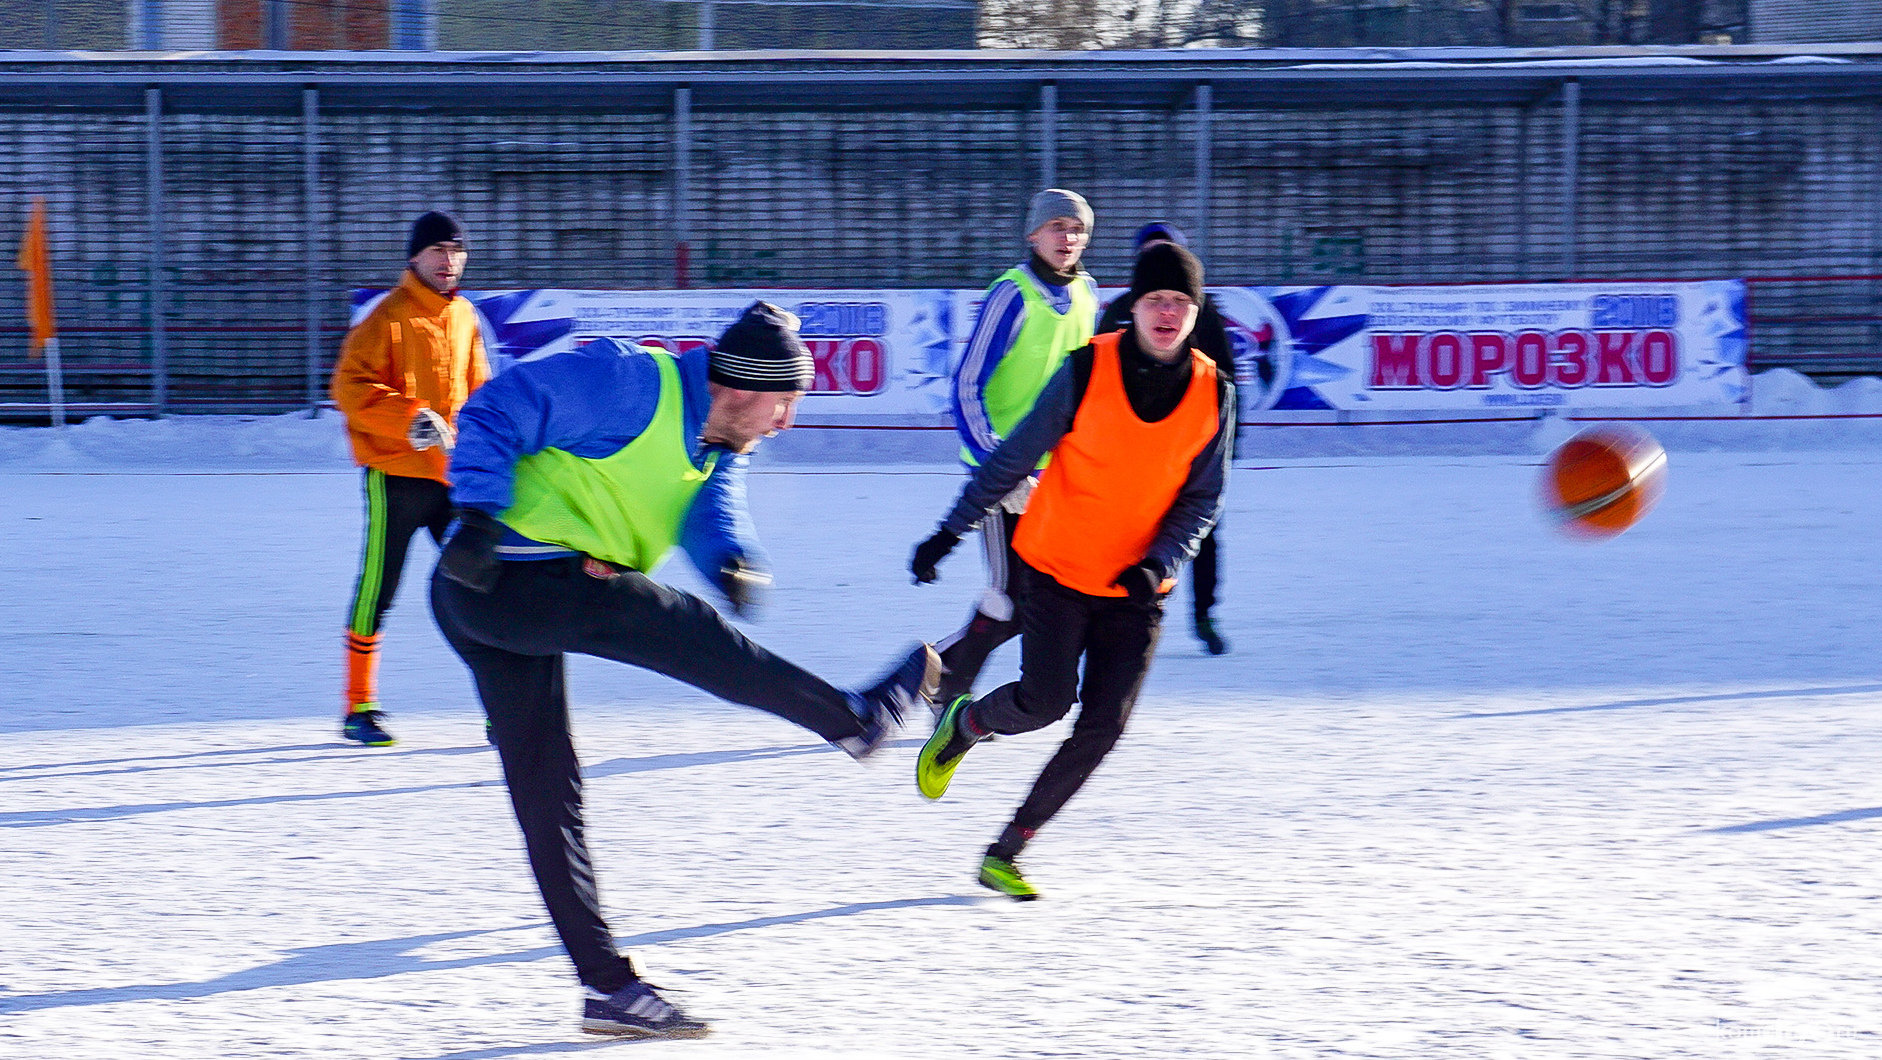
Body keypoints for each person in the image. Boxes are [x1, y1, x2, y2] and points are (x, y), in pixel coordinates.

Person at [430, 302, 940, 1039]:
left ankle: (608, 990)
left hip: (517, 601)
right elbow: (500, 406)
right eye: (784, 401)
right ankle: (854, 720)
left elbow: (709, 501)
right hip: (495, 577)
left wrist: (730, 559)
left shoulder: (718, 440)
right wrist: (477, 515)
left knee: (552, 795)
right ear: (740, 388)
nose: (787, 421)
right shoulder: (628, 383)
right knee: (676, 625)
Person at [910, 243, 1233, 901]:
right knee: (1045, 702)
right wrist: (949, 530)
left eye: (1180, 302)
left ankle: (1008, 850)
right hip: (1057, 568)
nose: (1167, 312)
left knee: (1104, 725)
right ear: (1135, 307)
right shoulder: (1088, 370)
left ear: (1195, 312)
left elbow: (1204, 501)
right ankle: (966, 724)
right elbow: (1013, 457)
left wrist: (1159, 562)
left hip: (1136, 589)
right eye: (1155, 300)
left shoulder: (1214, 394)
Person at [936, 188, 1100, 715]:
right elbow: (965, 386)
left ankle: (939, 668)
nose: (1067, 237)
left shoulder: (1088, 294)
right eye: (1056, 227)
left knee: (1038, 603)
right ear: (1033, 234)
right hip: (1002, 474)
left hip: (1059, 477)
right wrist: (1001, 467)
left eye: (1077, 229)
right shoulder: (1012, 294)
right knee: (1009, 596)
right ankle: (946, 686)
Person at [331, 210, 489, 746]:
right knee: (381, 585)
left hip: (453, 480)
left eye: (457, 251)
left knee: (484, 584)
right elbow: (349, 387)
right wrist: (409, 418)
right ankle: (359, 707)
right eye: (438, 251)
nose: (449, 262)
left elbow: (480, 391)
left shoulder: (465, 316)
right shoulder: (387, 317)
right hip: (396, 477)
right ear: (414, 258)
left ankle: (503, 705)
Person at [1096, 222, 1237, 655]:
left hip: (1185, 451)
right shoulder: (1121, 309)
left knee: (1200, 530)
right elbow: (1092, 382)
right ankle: (1108, 611)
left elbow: (1226, 380)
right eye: (1151, 251)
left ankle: (1204, 615)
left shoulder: (1202, 312)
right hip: (1127, 454)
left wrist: (1223, 449)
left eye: (1169, 250)